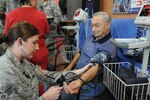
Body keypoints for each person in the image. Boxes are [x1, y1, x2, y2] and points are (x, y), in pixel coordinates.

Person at [0, 21, 91, 100]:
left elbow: (47, 76)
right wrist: (46, 97)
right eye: (34, 43)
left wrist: (78, 72)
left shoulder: (24, 62)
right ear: (20, 41)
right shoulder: (5, 71)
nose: (37, 47)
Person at [62, 11, 117, 100]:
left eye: (97, 25)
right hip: (76, 73)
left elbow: (96, 68)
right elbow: (80, 52)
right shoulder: (91, 35)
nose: (93, 29)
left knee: (66, 95)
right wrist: (69, 67)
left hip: (90, 83)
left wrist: (79, 82)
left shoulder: (109, 46)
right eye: (92, 25)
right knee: (54, 86)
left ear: (107, 25)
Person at [3, 0, 50, 95]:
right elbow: (47, 32)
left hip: (19, 54)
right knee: (41, 80)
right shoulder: (41, 15)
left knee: (19, 81)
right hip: (39, 54)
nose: (37, 2)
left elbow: (7, 35)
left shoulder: (10, 15)